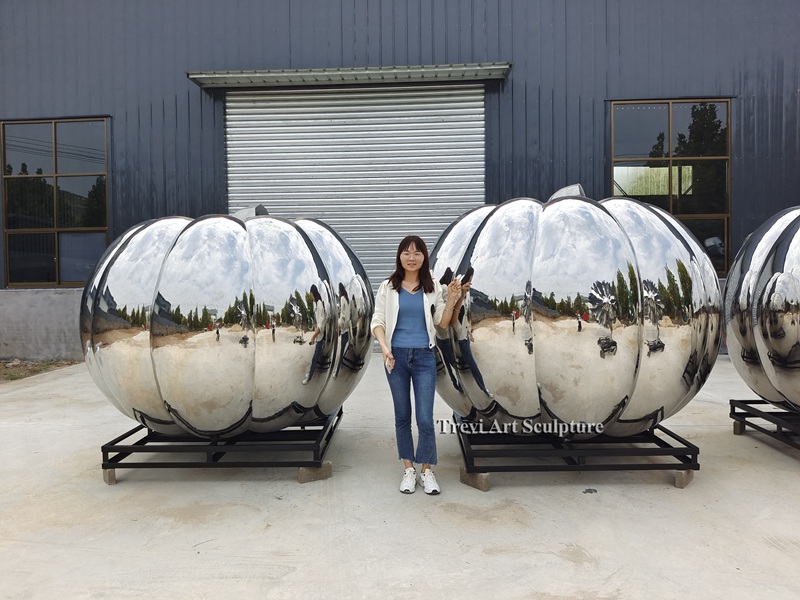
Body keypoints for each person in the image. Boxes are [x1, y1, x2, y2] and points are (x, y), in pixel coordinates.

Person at [371, 235, 463, 495]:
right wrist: (385, 347)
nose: (411, 258)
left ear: (424, 257)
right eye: (406, 253)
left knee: (424, 418)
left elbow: (442, 324)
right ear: (399, 256)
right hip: (395, 357)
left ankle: (427, 471)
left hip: (424, 356)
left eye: (417, 253)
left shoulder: (432, 286)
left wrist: (453, 298)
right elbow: (378, 320)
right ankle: (408, 469)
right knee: (402, 416)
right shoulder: (388, 286)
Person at [302, 285, 327, 385]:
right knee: (316, 358)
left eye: (311, 295)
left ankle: (309, 378)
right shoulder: (317, 304)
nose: (311, 297)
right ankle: (310, 374)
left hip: (320, 337)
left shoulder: (320, 304)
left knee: (314, 359)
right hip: (319, 336)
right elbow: (318, 323)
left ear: (314, 293)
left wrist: (313, 337)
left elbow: (321, 325)